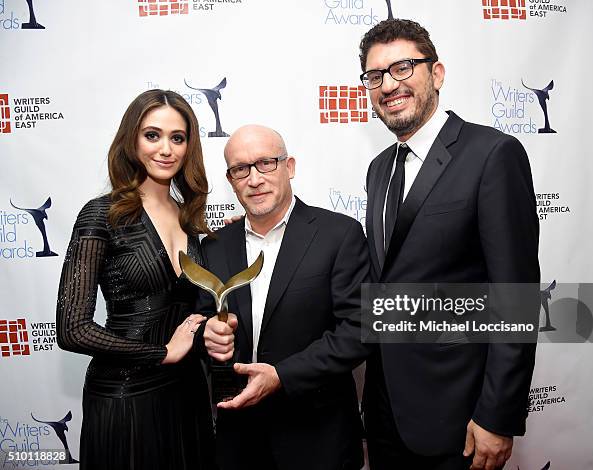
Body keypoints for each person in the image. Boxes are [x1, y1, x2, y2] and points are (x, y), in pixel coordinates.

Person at [358, 19, 540, 470]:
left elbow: (515, 297)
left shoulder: (492, 154)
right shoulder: (379, 168)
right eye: (375, 76)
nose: (388, 85)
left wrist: (497, 417)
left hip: (459, 417)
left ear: (436, 74)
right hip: (384, 417)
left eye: (403, 68)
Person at [56, 89, 216, 470]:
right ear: (132, 139)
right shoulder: (102, 215)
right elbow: (71, 328)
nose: (166, 149)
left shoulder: (192, 221)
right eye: (152, 135)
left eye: (177, 138)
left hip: (187, 393)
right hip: (124, 394)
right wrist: (161, 353)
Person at [195, 125, 370, 470]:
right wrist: (208, 336)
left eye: (265, 163)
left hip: (318, 438)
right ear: (231, 180)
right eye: (240, 169)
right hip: (239, 440)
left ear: (289, 167)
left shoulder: (339, 234)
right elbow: (202, 320)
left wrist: (282, 376)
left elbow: (359, 329)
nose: (254, 178)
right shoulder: (215, 246)